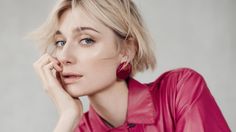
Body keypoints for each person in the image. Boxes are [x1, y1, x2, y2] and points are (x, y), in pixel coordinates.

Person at [31, 0, 231, 131]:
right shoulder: (76, 127)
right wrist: (67, 117)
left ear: (126, 51)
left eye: (86, 40)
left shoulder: (179, 91)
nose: (64, 56)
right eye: (60, 42)